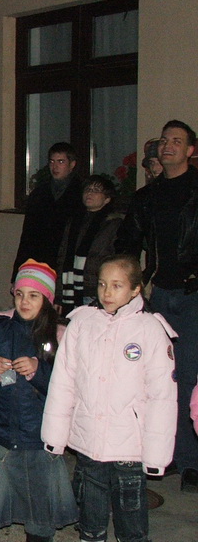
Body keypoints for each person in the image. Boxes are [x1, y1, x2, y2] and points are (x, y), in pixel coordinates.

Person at [42, 255, 177, 542]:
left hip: (129, 447)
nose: (107, 292)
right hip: (89, 442)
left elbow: (162, 397)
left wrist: (157, 455)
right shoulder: (82, 323)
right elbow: (64, 381)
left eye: (117, 285)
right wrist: (55, 435)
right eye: (102, 284)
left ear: (135, 289)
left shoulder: (151, 330)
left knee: (131, 522)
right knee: (90, 519)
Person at [0, 259, 77, 542]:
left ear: (47, 299)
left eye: (34, 295)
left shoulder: (59, 336)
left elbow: (70, 386)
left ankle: (38, 534)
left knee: (39, 502)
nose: (25, 302)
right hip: (2, 432)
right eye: (20, 294)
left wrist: (39, 371)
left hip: (40, 436)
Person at [115, 119, 198, 492]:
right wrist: (125, 285)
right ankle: (168, 454)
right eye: (164, 140)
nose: (168, 145)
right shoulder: (146, 196)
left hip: (193, 297)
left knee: (189, 377)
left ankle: (191, 461)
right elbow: (127, 243)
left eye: (177, 141)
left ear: (190, 150)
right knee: (160, 379)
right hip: (158, 295)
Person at [13, 142, 84, 281]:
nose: (55, 167)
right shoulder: (39, 193)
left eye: (61, 162)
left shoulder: (81, 194)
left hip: (68, 263)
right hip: (40, 260)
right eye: (52, 162)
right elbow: (27, 237)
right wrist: (18, 273)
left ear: (72, 164)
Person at [55, 175, 123, 311]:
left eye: (96, 190)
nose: (90, 193)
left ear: (107, 199)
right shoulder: (74, 221)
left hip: (95, 290)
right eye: (87, 189)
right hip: (70, 288)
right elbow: (62, 257)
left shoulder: (114, 224)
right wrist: (58, 294)